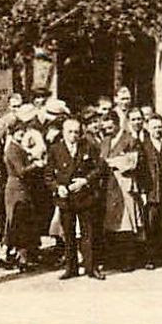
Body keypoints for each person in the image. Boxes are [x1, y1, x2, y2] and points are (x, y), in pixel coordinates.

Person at [47, 117, 106, 280]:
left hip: (85, 196)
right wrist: (57, 188)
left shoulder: (88, 147)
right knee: (69, 233)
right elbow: (48, 175)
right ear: (63, 133)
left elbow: (100, 168)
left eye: (76, 132)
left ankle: (91, 267)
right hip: (66, 198)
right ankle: (71, 268)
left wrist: (85, 180)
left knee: (88, 233)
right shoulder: (55, 149)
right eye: (70, 132)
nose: (73, 135)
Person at [100, 111, 147, 271]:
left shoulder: (130, 139)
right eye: (105, 128)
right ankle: (115, 259)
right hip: (109, 185)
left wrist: (113, 162)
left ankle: (129, 260)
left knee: (127, 222)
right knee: (112, 223)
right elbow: (101, 160)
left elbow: (132, 162)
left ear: (117, 123)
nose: (107, 130)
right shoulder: (105, 141)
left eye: (110, 127)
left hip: (124, 183)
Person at [2, 122, 46, 270]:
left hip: (21, 188)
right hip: (16, 188)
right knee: (18, 221)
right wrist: (36, 165)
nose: (22, 135)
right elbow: (21, 171)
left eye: (23, 132)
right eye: (19, 133)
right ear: (13, 134)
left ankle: (19, 256)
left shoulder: (18, 147)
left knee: (21, 222)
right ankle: (17, 257)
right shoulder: (13, 149)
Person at [142, 113, 162, 268]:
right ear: (148, 129)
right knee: (151, 224)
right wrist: (143, 190)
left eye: (160, 127)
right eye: (154, 127)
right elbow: (141, 169)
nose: (158, 130)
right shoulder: (143, 145)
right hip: (151, 191)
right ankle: (151, 258)